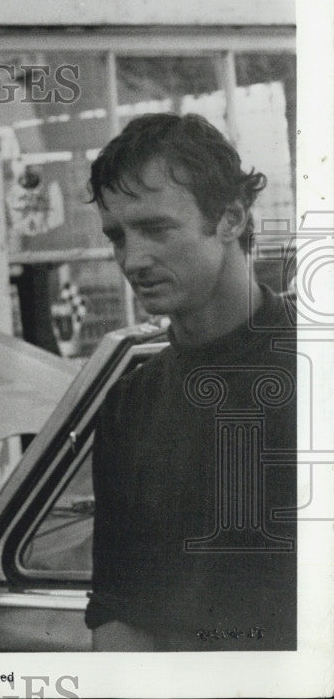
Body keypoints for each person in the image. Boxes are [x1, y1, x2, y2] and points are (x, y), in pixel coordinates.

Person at [84, 113, 297, 651]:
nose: (133, 259)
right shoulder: (130, 402)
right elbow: (116, 609)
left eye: (156, 229)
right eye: (117, 236)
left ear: (229, 218)